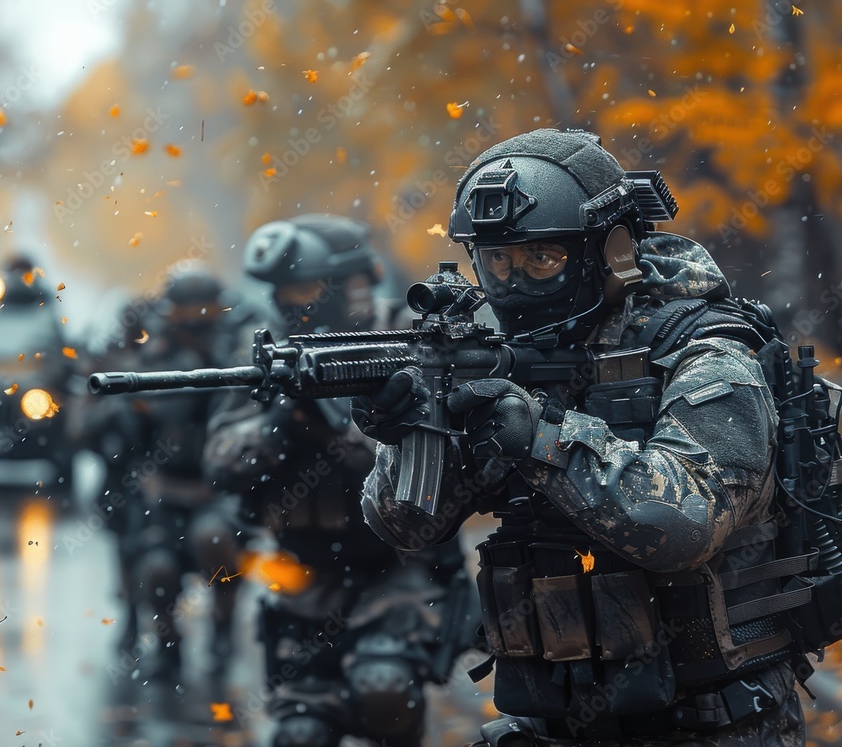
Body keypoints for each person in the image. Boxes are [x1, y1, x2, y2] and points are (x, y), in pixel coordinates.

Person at [351, 129, 807, 746]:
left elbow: (685, 527)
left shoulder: (706, 352)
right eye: (498, 262)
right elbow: (405, 527)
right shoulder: (503, 360)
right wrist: (410, 429)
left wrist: (540, 437)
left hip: (714, 722)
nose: (515, 285)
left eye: (542, 259)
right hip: (553, 719)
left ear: (609, 251)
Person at [204, 214, 478, 747]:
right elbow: (220, 462)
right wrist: (280, 423)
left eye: (302, 288)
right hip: (302, 574)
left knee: (385, 690)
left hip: (400, 569)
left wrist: (353, 434)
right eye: (282, 291)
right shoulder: (274, 355)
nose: (288, 303)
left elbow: (454, 457)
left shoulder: (416, 339)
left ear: (350, 281)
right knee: (299, 733)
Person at [126, 264, 251, 690]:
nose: (197, 329)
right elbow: (137, 431)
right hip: (168, 488)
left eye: (204, 320)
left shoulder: (237, 352)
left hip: (220, 486)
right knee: (157, 568)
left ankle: (222, 631)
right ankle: (167, 646)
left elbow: (247, 418)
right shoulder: (155, 358)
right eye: (188, 321)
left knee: (214, 541)